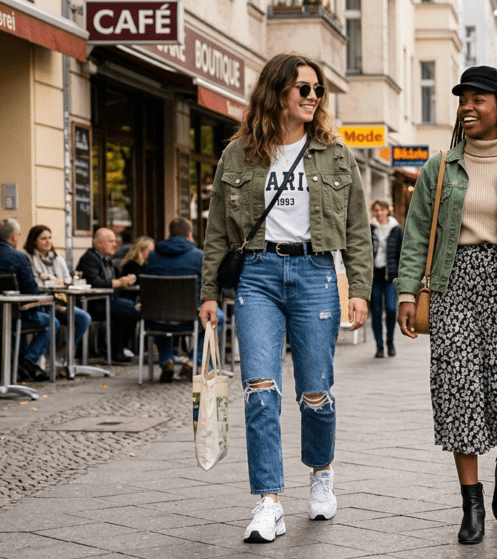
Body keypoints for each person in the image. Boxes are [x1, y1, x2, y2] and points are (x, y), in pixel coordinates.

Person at [198, 53, 372, 544]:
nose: (313, 97)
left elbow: (358, 231)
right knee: (259, 388)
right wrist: (208, 291)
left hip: (316, 272)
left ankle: (321, 474)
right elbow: (216, 232)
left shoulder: (336, 155)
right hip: (257, 273)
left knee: (315, 392)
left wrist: (359, 289)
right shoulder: (238, 154)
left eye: (318, 90)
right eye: (303, 89)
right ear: (277, 93)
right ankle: (268, 501)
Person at [395, 65, 497, 545]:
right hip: (451, 287)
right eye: (463, 98)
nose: (467, 106)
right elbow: (416, 236)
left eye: (478, 99)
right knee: (458, 393)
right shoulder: (439, 168)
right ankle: (471, 503)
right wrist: (408, 293)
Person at [0, 218, 61, 381]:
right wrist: (33, 312)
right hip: (12, 319)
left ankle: (21, 364)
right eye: (18, 236)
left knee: (21, 319)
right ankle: (27, 362)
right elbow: (32, 292)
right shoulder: (19, 257)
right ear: (13, 237)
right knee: (52, 322)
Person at [145, 218, 224, 383]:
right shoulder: (199, 256)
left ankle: (167, 361)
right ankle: (195, 361)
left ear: (169, 234)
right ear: (189, 235)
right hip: (190, 319)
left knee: (162, 309)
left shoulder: (153, 255)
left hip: (156, 319)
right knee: (219, 318)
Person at [23, 225, 93, 363]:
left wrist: (50, 278)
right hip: (40, 303)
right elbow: (35, 283)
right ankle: (29, 361)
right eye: (43, 238)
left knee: (84, 318)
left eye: (49, 238)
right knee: (53, 320)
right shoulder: (27, 257)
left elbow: (67, 281)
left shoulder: (56, 257)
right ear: (34, 241)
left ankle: (63, 357)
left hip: (60, 302)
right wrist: (56, 281)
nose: (48, 241)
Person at [75, 228, 140, 362]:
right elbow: (95, 282)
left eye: (115, 241)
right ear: (99, 243)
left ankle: (118, 349)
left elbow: (112, 279)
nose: (115, 244)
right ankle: (116, 351)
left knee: (131, 307)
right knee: (129, 310)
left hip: (106, 301)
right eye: (111, 241)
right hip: (93, 303)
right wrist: (119, 282)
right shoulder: (90, 258)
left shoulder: (105, 259)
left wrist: (125, 280)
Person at [370, 200, 402, 358]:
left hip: (391, 276)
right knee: (376, 312)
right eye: (376, 210)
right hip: (375, 276)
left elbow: (401, 253)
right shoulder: (370, 229)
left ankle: (390, 341)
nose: (379, 213)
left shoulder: (396, 229)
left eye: (382, 210)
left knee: (390, 308)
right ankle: (379, 346)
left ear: (387, 211)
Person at [119, 236, 154, 302]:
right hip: (131, 299)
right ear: (141, 250)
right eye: (149, 251)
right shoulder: (131, 265)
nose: (152, 253)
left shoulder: (144, 264)